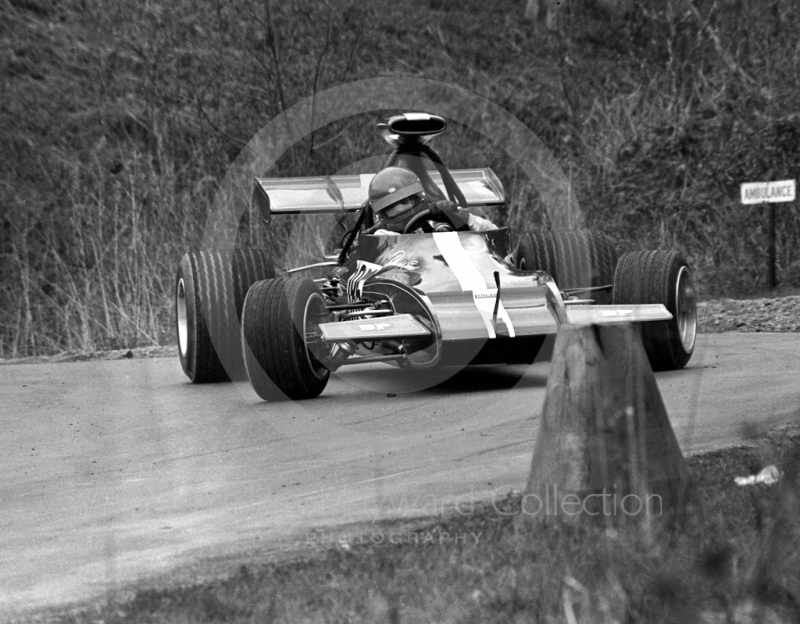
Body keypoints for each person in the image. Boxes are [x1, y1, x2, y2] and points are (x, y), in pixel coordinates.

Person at [367, 167, 497, 235]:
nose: (401, 208)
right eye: (392, 207)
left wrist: (462, 218)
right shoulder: (382, 235)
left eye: (406, 201)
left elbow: (494, 233)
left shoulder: (438, 223)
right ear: (382, 213)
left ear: (418, 197)